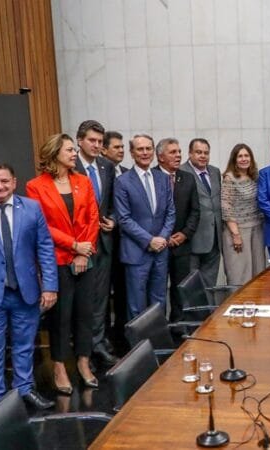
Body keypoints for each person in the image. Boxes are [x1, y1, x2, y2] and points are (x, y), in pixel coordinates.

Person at [0, 163, 58, 409]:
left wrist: (50, 285)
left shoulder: (31, 208)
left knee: (24, 345)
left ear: (14, 181)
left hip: (26, 292)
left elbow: (45, 248)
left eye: (4, 181)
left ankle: (24, 389)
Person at [26, 134, 101, 393]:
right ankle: (59, 366)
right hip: (57, 260)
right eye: (69, 149)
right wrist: (73, 246)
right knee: (61, 317)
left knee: (85, 313)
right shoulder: (35, 186)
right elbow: (42, 226)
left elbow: (93, 217)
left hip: (85, 258)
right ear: (55, 152)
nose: (73, 154)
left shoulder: (83, 181)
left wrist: (83, 251)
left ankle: (83, 362)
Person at [114, 134, 175, 319]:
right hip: (136, 252)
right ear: (132, 153)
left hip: (161, 251)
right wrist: (149, 240)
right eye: (140, 149)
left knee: (159, 302)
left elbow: (171, 212)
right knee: (136, 306)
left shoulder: (162, 179)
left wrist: (162, 238)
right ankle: (139, 347)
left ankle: (159, 346)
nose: (145, 152)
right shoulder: (122, 181)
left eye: (148, 148)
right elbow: (124, 219)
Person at [74, 120, 118, 366]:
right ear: (80, 140)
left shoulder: (106, 166)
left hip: (103, 240)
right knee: (83, 300)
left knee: (101, 297)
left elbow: (111, 203)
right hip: (78, 245)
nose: (96, 145)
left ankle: (98, 343)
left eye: (100, 142)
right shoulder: (70, 167)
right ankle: (83, 350)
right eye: (92, 140)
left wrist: (113, 220)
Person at [152, 138, 199, 322]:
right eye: (173, 152)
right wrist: (163, 237)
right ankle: (159, 327)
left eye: (179, 152)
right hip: (157, 245)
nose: (178, 155)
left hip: (181, 245)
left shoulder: (187, 178)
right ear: (160, 156)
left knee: (180, 289)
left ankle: (179, 326)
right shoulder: (152, 176)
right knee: (158, 289)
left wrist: (185, 234)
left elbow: (195, 211)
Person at [179, 138, 222, 288]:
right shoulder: (181, 172)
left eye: (206, 153)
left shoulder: (215, 171)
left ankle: (209, 312)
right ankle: (195, 313)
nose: (203, 156)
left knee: (210, 283)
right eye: (198, 152)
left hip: (215, 239)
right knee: (192, 285)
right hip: (192, 238)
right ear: (190, 153)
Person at [221, 143, 266, 285]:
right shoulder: (229, 178)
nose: (244, 159)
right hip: (238, 231)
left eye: (247, 155)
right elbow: (226, 206)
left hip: (257, 229)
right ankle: (238, 306)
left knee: (257, 272)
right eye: (240, 156)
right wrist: (236, 235)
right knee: (240, 275)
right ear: (234, 160)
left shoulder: (255, 176)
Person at [101, 130, 128, 344]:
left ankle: (121, 336)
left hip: (127, 244)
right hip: (104, 242)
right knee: (102, 297)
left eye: (122, 147)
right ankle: (104, 339)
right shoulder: (100, 174)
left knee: (123, 294)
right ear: (104, 149)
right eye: (116, 147)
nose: (121, 150)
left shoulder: (126, 173)